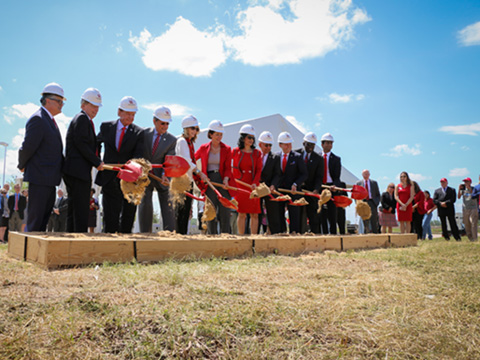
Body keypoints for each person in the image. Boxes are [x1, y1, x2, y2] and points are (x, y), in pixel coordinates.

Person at [18, 83, 65, 231]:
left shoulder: (49, 121)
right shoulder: (38, 119)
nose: (62, 104)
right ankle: (28, 252)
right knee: (35, 220)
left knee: (43, 220)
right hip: (39, 178)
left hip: (49, 179)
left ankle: (36, 252)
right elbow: (28, 146)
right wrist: (22, 165)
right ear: (48, 100)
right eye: (59, 101)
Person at [95, 96, 144, 233]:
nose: (130, 117)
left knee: (128, 216)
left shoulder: (139, 132)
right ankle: (109, 246)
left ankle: (126, 247)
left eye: (133, 114)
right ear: (119, 112)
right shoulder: (106, 127)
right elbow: (96, 144)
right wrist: (97, 160)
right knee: (110, 216)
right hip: (109, 177)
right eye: (128, 113)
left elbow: (139, 155)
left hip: (129, 181)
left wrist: (131, 167)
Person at [63, 88, 104, 233]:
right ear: (83, 105)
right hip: (78, 172)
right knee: (80, 209)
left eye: (97, 106)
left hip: (76, 171)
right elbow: (82, 144)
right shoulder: (81, 119)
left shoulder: (84, 120)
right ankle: (79, 238)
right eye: (92, 106)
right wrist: (97, 162)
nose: (95, 109)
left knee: (75, 208)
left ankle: (72, 237)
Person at [138, 106, 177, 233]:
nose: (165, 126)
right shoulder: (144, 134)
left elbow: (169, 160)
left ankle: (170, 234)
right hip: (145, 176)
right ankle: (145, 233)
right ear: (154, 121)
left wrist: (166, 174)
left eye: (167, 124)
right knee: (145, 204)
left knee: (168, 206)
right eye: (162, 123)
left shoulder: (171, 140)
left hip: (161, 177)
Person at [195, 120, 233, 234]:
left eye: (221, 134)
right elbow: (192, 160)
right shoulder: (203, 148)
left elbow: (227, 167)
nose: (219, 137)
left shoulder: (227, 149)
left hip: (222, 181)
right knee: (211, 210)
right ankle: (212, 236)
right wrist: (199, 173)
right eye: (217, 134)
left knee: (224, 211)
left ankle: (225, 236)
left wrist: (226, 180)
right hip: (209, 181)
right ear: (210, 134)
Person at [175, 115, 206, 234]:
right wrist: (199, 172)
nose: (195, 131)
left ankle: (182, 234)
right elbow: (187, 161)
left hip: (188, 180)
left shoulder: (189, 143)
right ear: (186, 128)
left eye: (196, 129)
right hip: (182, 180)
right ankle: (180, 235)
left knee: (186, 209)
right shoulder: (182, 141)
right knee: (182, 210)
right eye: (192, 128)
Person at [232, 124, 263, 235]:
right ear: (243, 138)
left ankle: (253, 239)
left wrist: (255, 183)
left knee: (254, 214)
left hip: (253, 186)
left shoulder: (257, 153)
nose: (251, 140)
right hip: (240, 185)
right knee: (242, 213)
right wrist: (237, 178)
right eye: (249, 137)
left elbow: (259, 170)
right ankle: (241, 237)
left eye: (252, 138)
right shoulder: (235, 152)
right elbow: (232, 167)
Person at [276, 131, 307, 234]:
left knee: (294, 216)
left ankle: (295, 235)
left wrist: (295, 184)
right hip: (279, 191)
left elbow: (304, 174)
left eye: (290, 143)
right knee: (279, 215)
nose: (289, 146)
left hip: (293, 192)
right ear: (280, 145)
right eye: (286, 144)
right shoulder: (276, 157)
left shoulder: (297, 157)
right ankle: (281, 234)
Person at [296, 132, 322, 234]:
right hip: (298, 190)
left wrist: (316, 189)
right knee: (298, 216)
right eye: (308, 144)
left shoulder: (318, 159)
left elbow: (319, 177)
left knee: (313, 216)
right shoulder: (296, 154)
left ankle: (315, 236)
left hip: (311, 191)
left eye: (313, 145)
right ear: (304, 143)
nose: (310, 147)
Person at [258, 131, 281, 234]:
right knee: (256, 214)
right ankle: (255, 235)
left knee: (273, 214)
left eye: (270, 145)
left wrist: (273, 185)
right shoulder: (255, 156)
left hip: (269, 189)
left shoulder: (275, 157)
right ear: (260, 144)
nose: (268, 147)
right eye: (266, 145)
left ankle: (275, 235)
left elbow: (277, 174)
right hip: (257, 189)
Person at [319, 133, 342, 234]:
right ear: (322, 144)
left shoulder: (336, 159)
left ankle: (333, 234)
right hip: (319, 187)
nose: (329, 145)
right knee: (321, 213)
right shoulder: (317, 157)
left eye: (331, 143)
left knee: (332, 213)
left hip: (331, 187)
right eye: (327, 143)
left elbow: (337, 177)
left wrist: (335, 186)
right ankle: (323, 234)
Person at [458, 177, 478, 242]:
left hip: (473, 208)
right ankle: (470, 238)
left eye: (467, 181)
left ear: (470, 182)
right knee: (467, 224)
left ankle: (475, 238)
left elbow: (474, 194)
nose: (465, 183)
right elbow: (458, 197)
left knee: (473, 222)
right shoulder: (463, 190)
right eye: (465, 182)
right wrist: (459, 189)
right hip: (465, 208)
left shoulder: (473, 188)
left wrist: (469, 188)